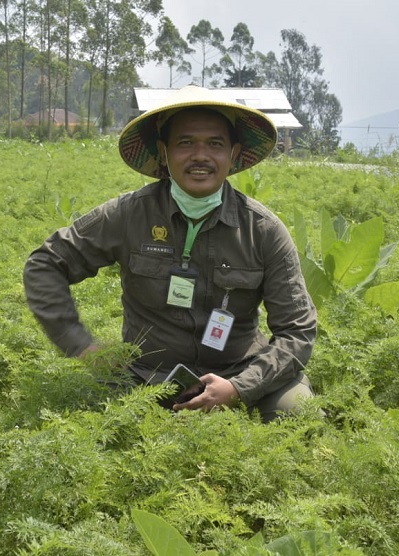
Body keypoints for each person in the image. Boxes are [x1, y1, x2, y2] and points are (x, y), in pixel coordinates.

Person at [23, 85, 318, 422]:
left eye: (215, 144)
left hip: (238, 370)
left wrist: (239, 388)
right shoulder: (129, 214)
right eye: (185, 143)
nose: (200, 156)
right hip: (144, 376)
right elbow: (45, 264)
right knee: (81, 418)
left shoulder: (262, 230)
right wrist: (82, 347)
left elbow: (297, 330)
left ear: (234, 154)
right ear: (163, 152)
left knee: (297, 413)